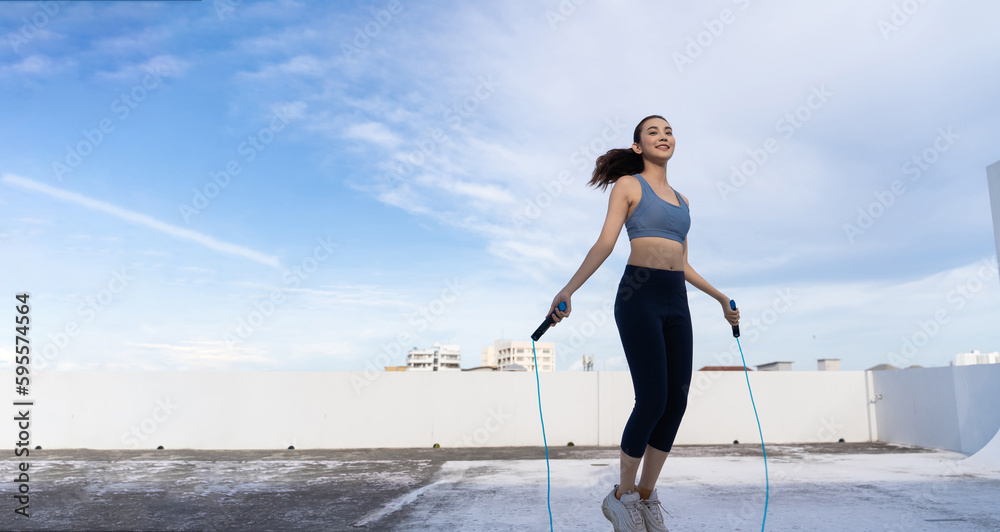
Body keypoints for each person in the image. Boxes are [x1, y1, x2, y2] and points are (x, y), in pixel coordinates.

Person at [544, 115, 739, 532]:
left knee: (677, 402)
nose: (663, 136)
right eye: (653, 131)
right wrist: (568, 290)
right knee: (652, 399)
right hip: (639, 296)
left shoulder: (684, 202)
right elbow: (605, 243)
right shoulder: (630, 186)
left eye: (668, 131)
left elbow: (683, 263)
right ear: (638, 147)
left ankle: (647, 499)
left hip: (676, 300)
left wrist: (721, 297)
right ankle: (622, 497)